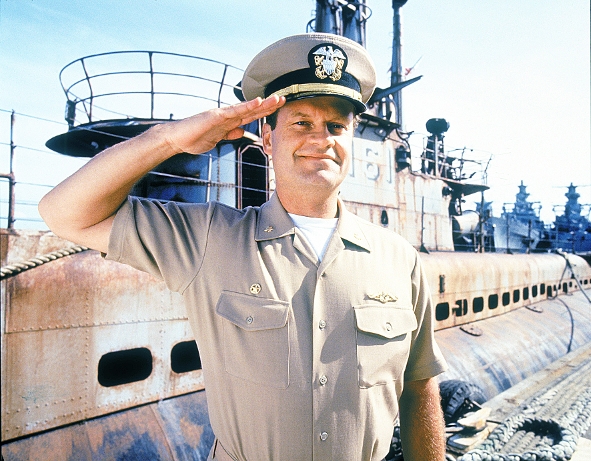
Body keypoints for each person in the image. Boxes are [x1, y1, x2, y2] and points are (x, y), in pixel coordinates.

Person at [39, 33, 448, 461]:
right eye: (301, 123)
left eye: (336, 126)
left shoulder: (399, 259)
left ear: (350, 140)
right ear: (268, 140)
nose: (321, 139)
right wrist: (169, 140)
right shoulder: (208, 238)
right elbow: (64, 214)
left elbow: (420, 387)